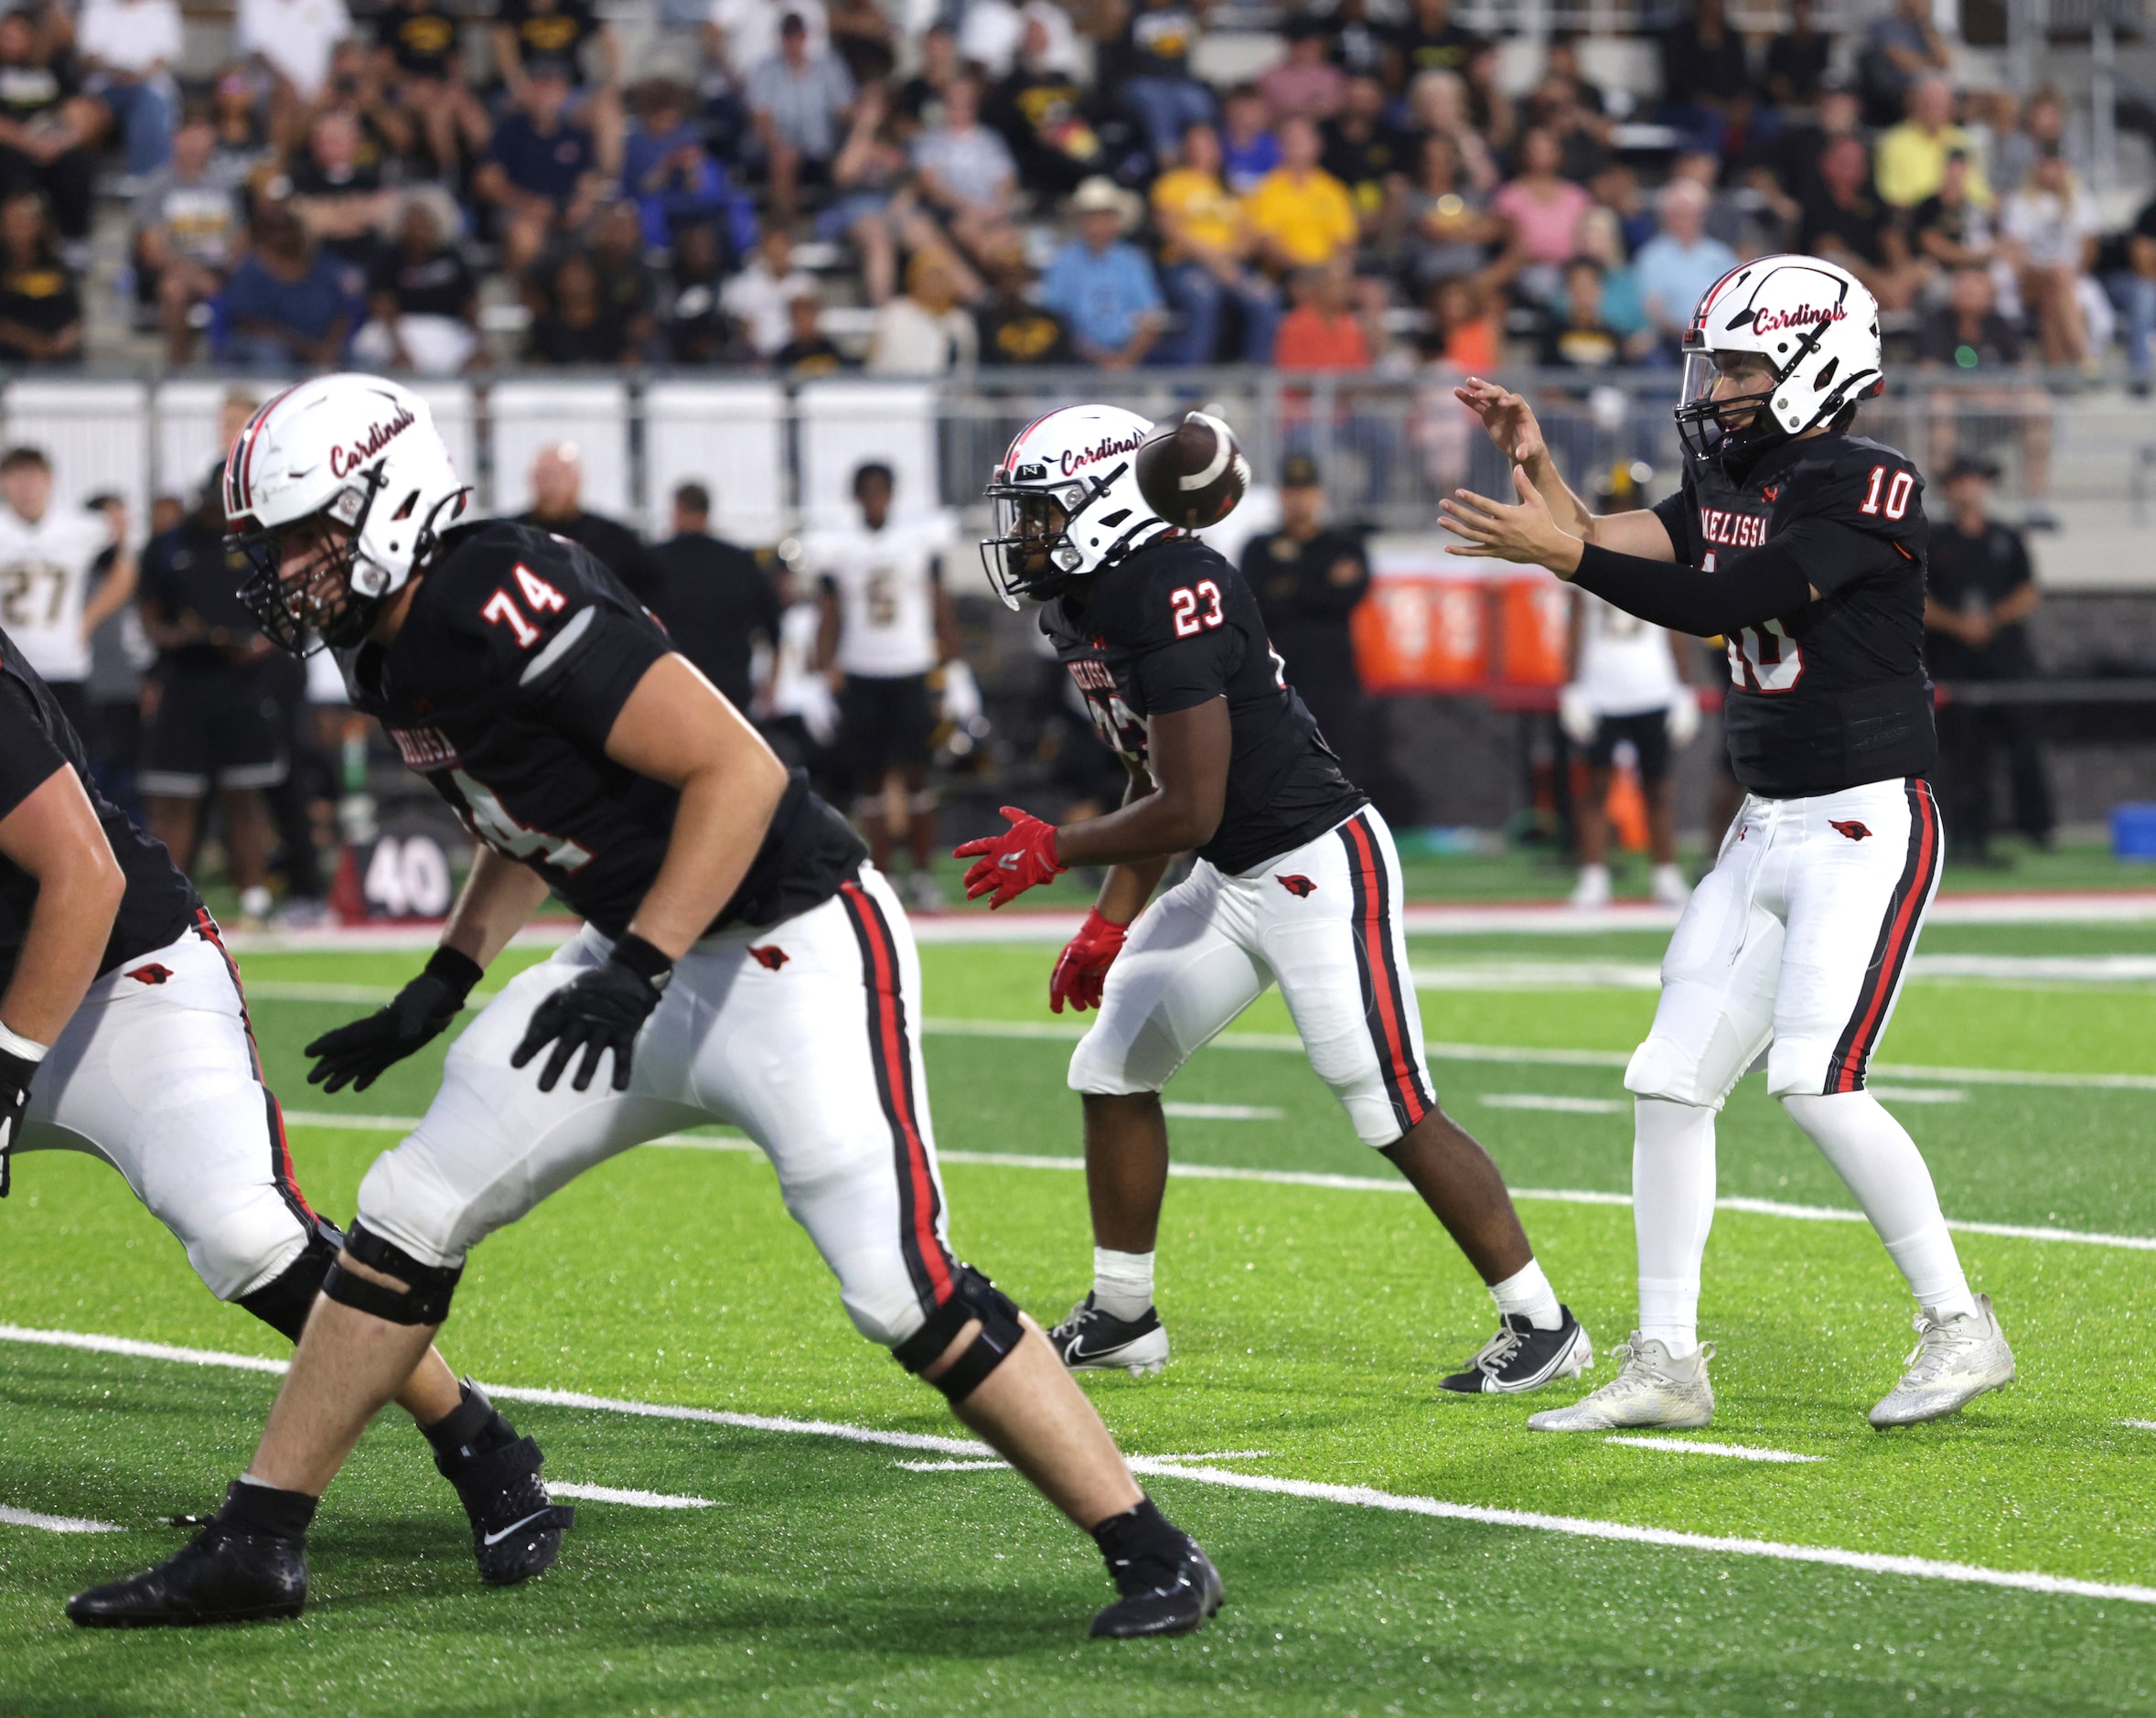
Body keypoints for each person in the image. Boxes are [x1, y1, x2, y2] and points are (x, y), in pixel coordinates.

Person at [70, 374, 1222, 1641]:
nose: (285, 568)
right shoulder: (382, 633)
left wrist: (639, 960)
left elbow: (735, 768)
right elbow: (520, 807)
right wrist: (447, 975)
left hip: (785, 944)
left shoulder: (495, 590)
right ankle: (260, 1537)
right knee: (408, 1207)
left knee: (902, 1289)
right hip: (646, 957)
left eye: (303, 533)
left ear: (386, 497)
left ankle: (1152, 1547)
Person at [1437, 252, 2013, 1432]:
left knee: (1815, 1081)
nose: (1721, 389)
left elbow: (1718, 600)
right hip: (1762, 827)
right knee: (1666, 1078)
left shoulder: (1865, 481)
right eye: (1722, 364)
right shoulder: (1741, 471)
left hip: (1863, 823)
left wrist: (1560, 553)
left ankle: (1961, 1325)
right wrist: (1536, 467)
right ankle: (1666, 1360)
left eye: (1745, 365)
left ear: (1816, 365)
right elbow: (1609, 537)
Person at [960, 404, 1592, 1394]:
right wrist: (1105, 920)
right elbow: (1149, 771)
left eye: (1042, 512)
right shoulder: (1081, 606)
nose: (1026, 535)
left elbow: (1188, 801)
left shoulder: (1175, 588)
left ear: (1101, 504)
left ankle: (1543, 1324)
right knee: (1111, 1069)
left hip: (1311, 864)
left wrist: (1059, 850)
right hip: (1224, 873)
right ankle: (1123, 1313)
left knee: (1385, 1103)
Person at [0, 536, 567, 1610]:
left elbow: (83, 877)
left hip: (120, 979)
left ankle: (480, 1445)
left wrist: (4, 1074)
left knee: (244, 1233)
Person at [810, 461, 960, 907]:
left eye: (881, 491)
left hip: (911, 665)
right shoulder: (840, 546)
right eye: (867, 492)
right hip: (862, 668)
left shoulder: (917, 539)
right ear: (857, 497)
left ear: (891, 494)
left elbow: (938, 598)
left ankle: (923, 874)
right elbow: (830, 607)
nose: (875, 499)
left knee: (917, 775)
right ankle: (884, 875)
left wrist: (950, 656)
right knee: (871, 779)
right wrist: (826, 663)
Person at [1924, 456, 2052, 861]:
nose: (1969, 489)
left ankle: (2037, 828)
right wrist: (1958, 625)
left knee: (2025, 747)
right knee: (1964, 755)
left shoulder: (2006, 537)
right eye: (1961, 481)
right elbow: (1916, 597)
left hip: (2006, 664)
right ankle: (1967, 837)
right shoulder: (1932, 539)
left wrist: (1992, 620)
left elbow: (2028, 591)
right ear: (1948, 489)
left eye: (1976, 481)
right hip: (1953, 665)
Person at [1240, 454, 1373, 788]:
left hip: (1334, 680)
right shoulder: (1258, 547)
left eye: (1305, 490)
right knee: (1276, 770)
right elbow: (1257, 602)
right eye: (1291, 490)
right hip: (1280, 679)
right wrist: (1322, 581)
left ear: (1319, 495)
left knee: (1341, 770)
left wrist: (1289, 586)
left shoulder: (1344, 544)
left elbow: (1350, 595)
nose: (1298, 499)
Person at [1560, 590, 1698, 909]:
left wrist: (1684, 688)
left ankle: (1666, 874)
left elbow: (1674, 625)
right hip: (1600, 691)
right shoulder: (1585, 556)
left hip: (1653, 687)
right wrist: (1572, 687)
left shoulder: (1656, 559)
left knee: (1658, 787)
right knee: (1595, 788)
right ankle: (1593, 876)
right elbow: (1575, 625)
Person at [0, 446, 129, 739]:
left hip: (63, 667)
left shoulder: (78, 527)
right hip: (8, 671)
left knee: (70, 767)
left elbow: (123, 564)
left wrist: (88, 619)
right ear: (4, 483)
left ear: (50, 480)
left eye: (33, 477)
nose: (26, 488)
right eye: (17, 478)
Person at [640, 482, 781, 714]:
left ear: (677, 509)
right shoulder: (740, 561)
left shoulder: (654, 561)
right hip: (729, 685)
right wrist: (771, 680)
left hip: (672, 681)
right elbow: (773, 625)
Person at [1149, 121, 1279, 365]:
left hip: (1230, 266)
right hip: (1185, 265)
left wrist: (1227, 261)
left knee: (1266, 299)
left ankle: (1252, 378)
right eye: (1196, 142)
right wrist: (1216, 262)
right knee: (1203, 298)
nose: (1203, 148)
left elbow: (1248, 238)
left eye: (1208, 142)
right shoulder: (1173, 183)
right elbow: (1173, 232)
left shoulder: (1230, 189)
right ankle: (1189, 389)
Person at [132, 110, 246, 366]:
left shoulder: (228, 184)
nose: (195, 144)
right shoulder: (156, 187)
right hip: (176, 271)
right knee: (174, 290)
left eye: (201, 136)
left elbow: (241, 236)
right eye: (189, 135)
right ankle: (179, 364)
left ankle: (230, 361)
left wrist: (224, 268)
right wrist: (195, 274)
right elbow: (152, 249)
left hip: (223, 270)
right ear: (175, 139)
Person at [474, 59, 605, 275]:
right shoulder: (510, 130)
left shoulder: (575, 133)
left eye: (553, 86)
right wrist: (527, 205)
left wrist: (582, 204)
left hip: (566, 213)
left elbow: (588, 179)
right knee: (525, 237)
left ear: (565, 92)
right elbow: (486, 181)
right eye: (539, 86)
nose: (545, 93)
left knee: (611, 231)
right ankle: (515, 296)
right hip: (521, 211)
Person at [1039, 177, 1164, 370]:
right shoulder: (1063, 262)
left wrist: (1126, 360)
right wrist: (1100, 358)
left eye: (1103, 216)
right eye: (1090, 216)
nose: (1096, 223)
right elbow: (1055, 320)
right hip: (1076, 361)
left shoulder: (1133, 261)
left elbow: (1150, 319)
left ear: (1115, 220)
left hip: (1130, 359)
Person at [746, 10, 854, 225]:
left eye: (797, 35)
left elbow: (845, 109)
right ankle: (787, 228)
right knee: (783, 160)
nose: (793, 41)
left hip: (821, 150)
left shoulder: (828, 68)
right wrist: (777, 146)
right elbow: (761, 117)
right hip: (779, 149)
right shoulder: (765, 71)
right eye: (788, 36)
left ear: (805, 36)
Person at [215, 205, 350, 373]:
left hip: (319, 346)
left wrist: (330, 346)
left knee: (359, 357)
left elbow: (341, 314)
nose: (284, 235)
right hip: (265, 348)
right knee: (270, 355)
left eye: (288, 228)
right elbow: (248, 323)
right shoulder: (250, 270)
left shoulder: (321, 265)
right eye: (276, 230)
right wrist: (305, 348)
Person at [354, 197, 480, 376]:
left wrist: (479, 342)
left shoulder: (452, 257)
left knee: (481, 364)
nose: (418, 229)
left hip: (446, 328)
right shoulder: (389, 257)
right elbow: (382, 303)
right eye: (412, 222)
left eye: (424, 222)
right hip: (402, 328)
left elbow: (470, 301)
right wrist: (398, 346)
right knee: (379, 354)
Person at [514, 442, 650, 593]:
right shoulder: (512, 536)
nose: (551, 487)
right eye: (544, 476)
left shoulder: (613, 539)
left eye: (560, 476)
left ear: (577, 480)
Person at [1635, 180, 1739, 359]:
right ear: (1667, 217)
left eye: (1692, 214)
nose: (1686, 221)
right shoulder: (1652, 258)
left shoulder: (1721, 255)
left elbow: (1736, 300)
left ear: (1702, 217)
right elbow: (1653, 309)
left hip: (1717, 339)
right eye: (1679, 215)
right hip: (1669, 340)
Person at [1243, 116, 1358, 275]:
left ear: (1318, 145)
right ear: (1280, 147)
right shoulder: (1266, 189)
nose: (1297, 144)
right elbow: (1267, 241)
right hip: (1288, 273)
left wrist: (1336, 270)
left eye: (1303, 138)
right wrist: (1302, 269)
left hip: (1329, 272)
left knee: (1372, 291)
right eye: (1290, 138)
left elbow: (1344, 240)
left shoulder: (1334, 190)